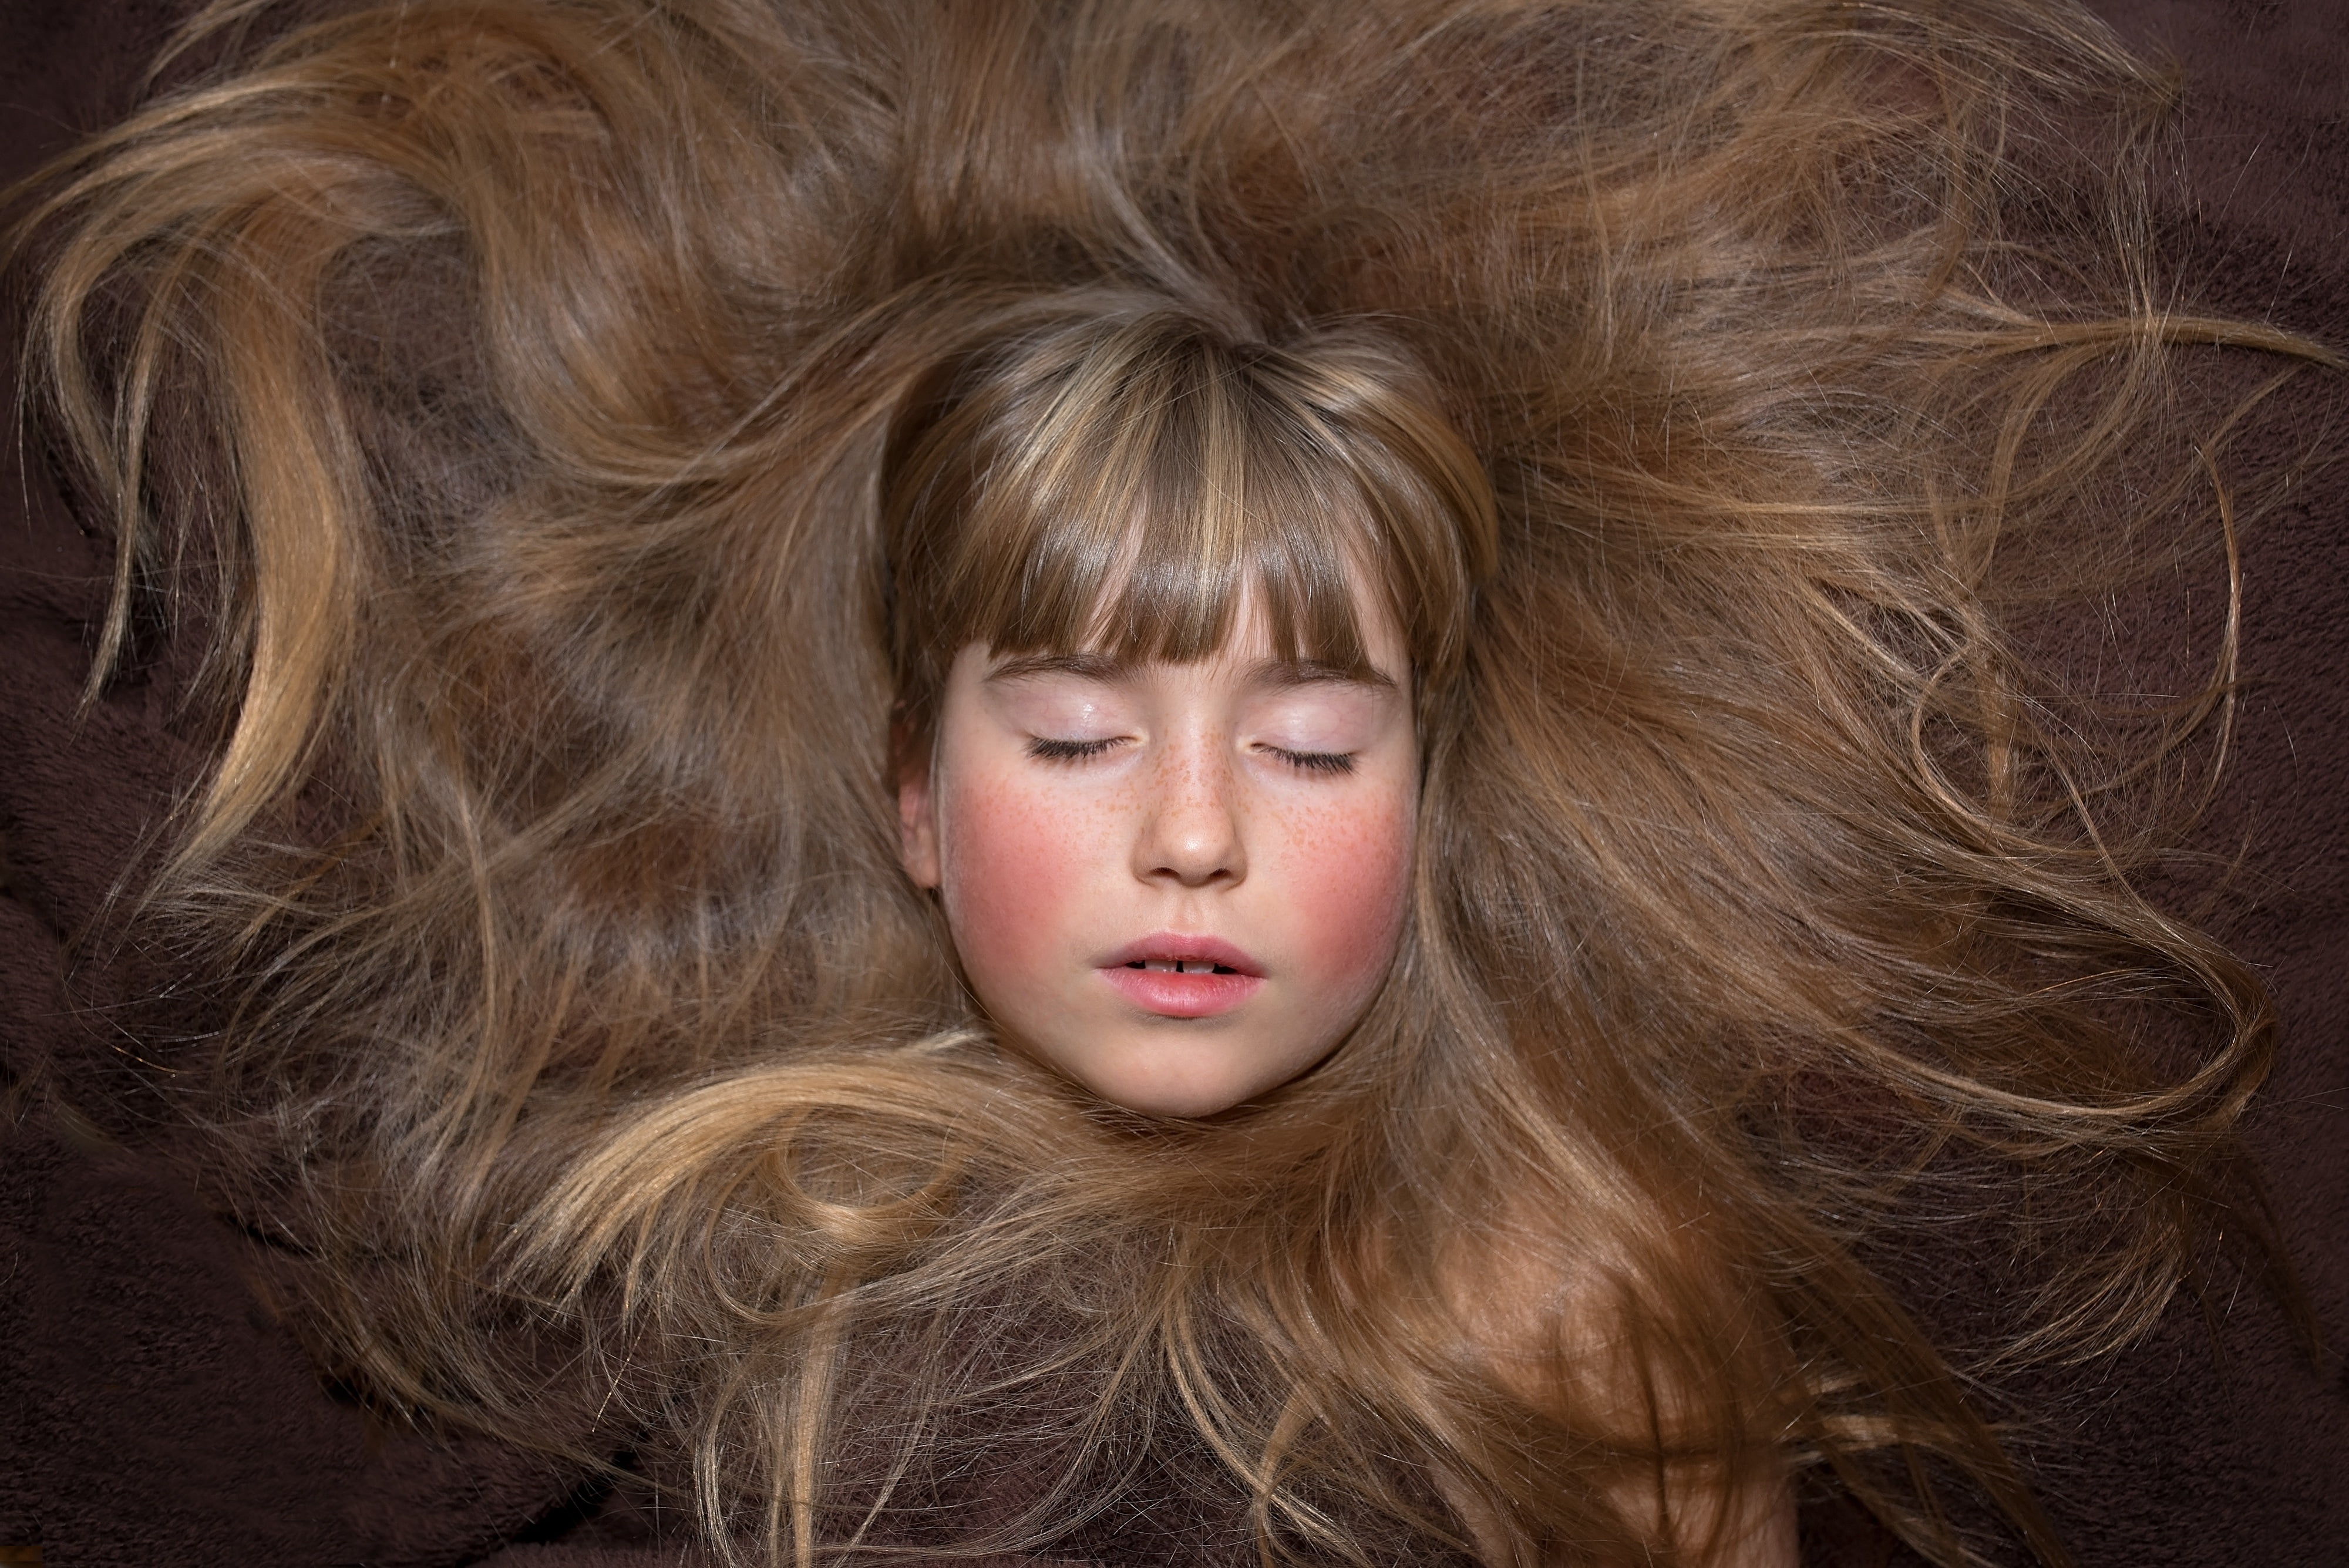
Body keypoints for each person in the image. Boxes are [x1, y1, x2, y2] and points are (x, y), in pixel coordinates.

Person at [2, 0, 2338, 1564]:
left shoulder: (1601, 1301)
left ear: (1437, 804)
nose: (1196, 824)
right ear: (906, 798)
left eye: (1315, 738)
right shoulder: (651, 1273)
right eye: (1081, 729)